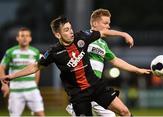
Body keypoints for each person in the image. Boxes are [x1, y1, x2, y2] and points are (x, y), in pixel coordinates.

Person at [0, 16, 151, 116]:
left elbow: (102, 32)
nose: (71, 32)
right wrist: (12, 76)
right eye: (66, 30)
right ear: (58, 35)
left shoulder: (82, 37)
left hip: (97, 87)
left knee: (125, 111)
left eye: (70, 28)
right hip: (79, 96)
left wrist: (124, 34)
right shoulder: (53, 52)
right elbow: (35, 67)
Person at [66, 8, 152, 116]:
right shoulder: (83, 37)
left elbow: (116, 61)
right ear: (94, 23)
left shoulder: (103, 44)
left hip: (97, 89)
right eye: (105, 23)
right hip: (83, 90)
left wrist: (137, 70)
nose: (108, 26)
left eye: (109, 23)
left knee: (124, 112)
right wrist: (124, 34)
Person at [0, 27, 45, 117]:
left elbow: (37, 69)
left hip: (32, 89)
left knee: (40, 114)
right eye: (22, 36)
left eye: (27, 36)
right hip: (16, 91)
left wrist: (35, 85)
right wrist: (4, 85)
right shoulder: (11, 52)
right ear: (17, 38)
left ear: (30, 38)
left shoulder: (35, 52)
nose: (24, 38)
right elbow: (1, 67)